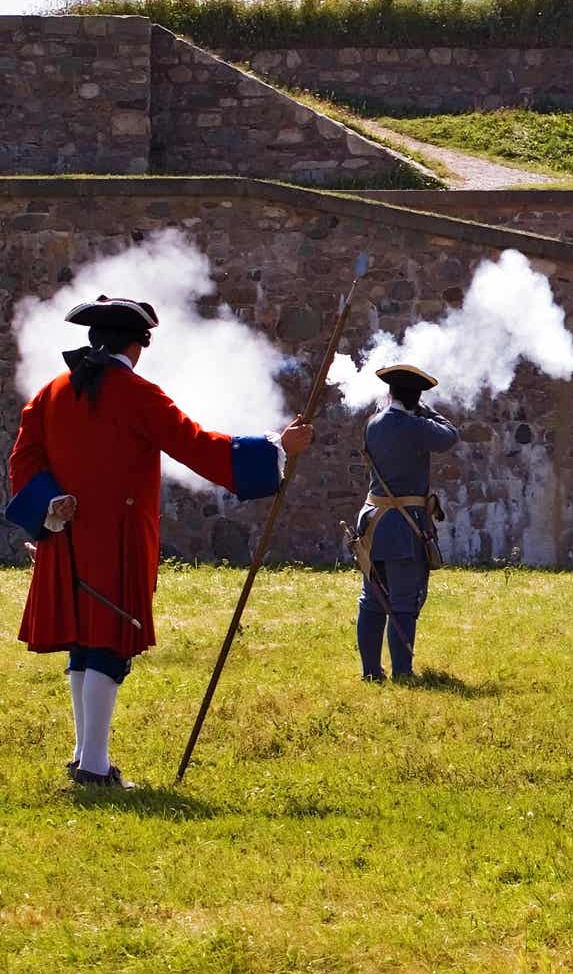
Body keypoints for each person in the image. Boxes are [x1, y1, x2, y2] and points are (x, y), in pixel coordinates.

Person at [5, 295, 314, 788]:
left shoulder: (49, 392)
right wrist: (277, 447)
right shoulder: (137, 393)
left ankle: (86, 757)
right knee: (106, 644)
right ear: (140, 344)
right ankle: (93, 767)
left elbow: (22, 461)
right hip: (118, 539)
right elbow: (194, 445)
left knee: (84, 645)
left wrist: (51, 503)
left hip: (65, 536)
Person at [352, 365, 458, 682]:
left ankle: (371, 672)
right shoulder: (415, 426)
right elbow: (450, 435)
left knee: (372, 601)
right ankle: (402, 673)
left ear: (390, 393)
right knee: (402, 601)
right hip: (403, 526)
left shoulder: (372, 425)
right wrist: (428, 410)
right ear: (416, 398)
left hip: (372, 524)